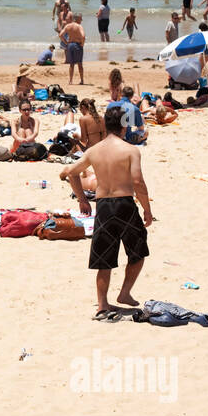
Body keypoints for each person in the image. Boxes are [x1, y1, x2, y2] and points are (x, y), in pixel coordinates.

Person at [61, 105, 154, 315]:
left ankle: (102, 304)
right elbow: (138, 181)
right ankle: (125, 292)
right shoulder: (131, 150)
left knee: (104, 257)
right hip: (125, 205)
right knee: (138, 252)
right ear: (123, 127)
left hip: (103, 206)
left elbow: (71, 172)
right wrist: (147, 209)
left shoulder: (93, 151)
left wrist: (82, 200)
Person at [61, 16, 85, 84]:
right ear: (77, 19)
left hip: (70, 45)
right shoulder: (79, 26)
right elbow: (83, 36)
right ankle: (82, 80)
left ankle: (70, 81)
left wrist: (66, 42)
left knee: (71, 64)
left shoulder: (68, 26)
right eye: (80, 19)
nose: (81, 20)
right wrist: (82, 44)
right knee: (79, 63)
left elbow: (60, 35)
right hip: (77, 45)